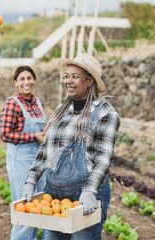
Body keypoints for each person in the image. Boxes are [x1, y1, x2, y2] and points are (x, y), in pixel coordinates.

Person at [22, 54, 120, 240]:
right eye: (66, 76)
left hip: (85, 194)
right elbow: (46, 149)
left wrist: (90, 191)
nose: (68, 81)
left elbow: (104, 157)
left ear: (89, 80)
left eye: (75, 76)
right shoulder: (61, 110)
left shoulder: (104, 113)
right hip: (54, 196)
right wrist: (31, 179)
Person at [0, 66, 47, 240]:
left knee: (36, 207)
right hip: (21, 161)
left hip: (39, 161)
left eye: (29, 78)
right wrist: (33, 136)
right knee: (25, 208)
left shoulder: (37, 102)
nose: (26, 82)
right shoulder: (12, 103)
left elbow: (40, 127)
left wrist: (45, 130)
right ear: (15, 82)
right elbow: (4, 134)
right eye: (22, 79)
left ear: (34, 80)